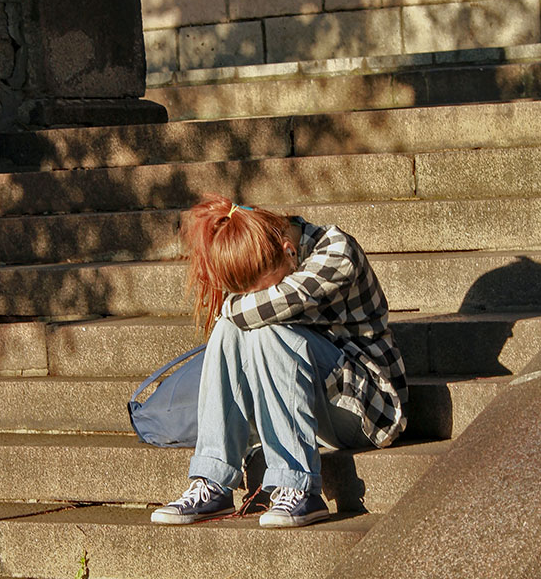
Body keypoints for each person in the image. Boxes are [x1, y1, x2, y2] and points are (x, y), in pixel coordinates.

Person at [150, 195, 408, 528]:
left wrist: (232, 306)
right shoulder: (275, 253)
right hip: (313, 407)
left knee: (261, 328)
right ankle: (213, 480)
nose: (258, 296)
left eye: (266, 287)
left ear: (289, 249)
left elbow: (247, 311)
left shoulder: (335, 252)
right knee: (235, 330)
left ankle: (298, 487)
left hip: (369, 408)